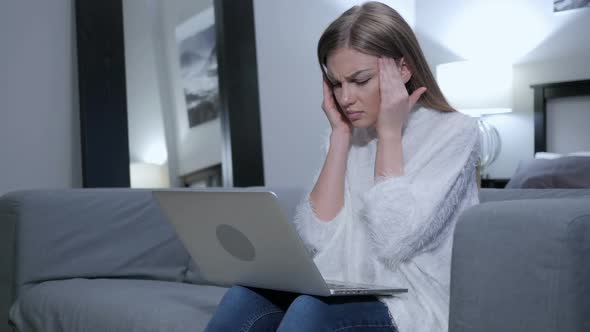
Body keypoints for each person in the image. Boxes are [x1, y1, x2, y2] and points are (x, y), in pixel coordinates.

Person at [205, 2, 480, 331]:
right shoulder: (349, 137)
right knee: (245, 296)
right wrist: (339, 136)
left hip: (414, 305)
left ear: (403, 71)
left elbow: (395, 239)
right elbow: (317, 239)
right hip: (347, 288)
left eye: (359, 80)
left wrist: (389, 134)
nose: (345, 97)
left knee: (312, 310)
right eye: (336, 83)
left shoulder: (455, 132)